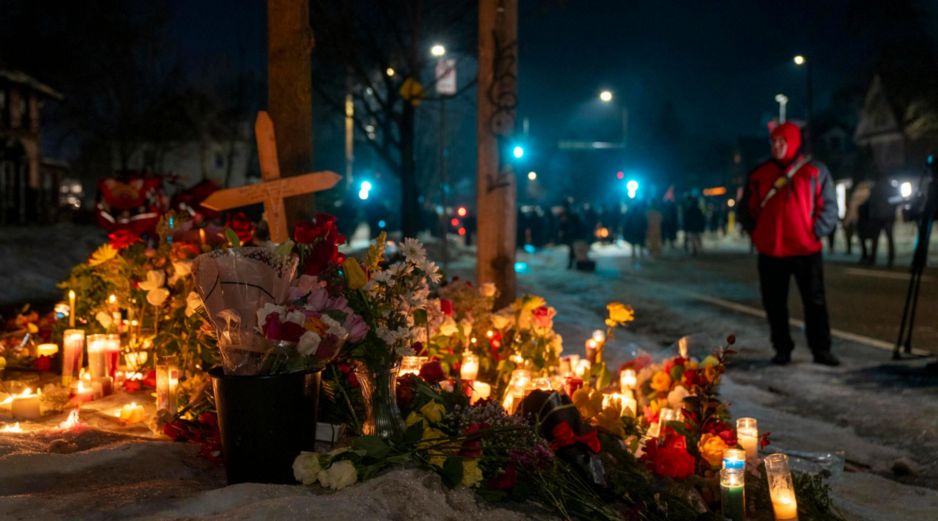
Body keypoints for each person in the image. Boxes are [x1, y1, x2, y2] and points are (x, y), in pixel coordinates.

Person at [740, 122, 840, 366]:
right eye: (773, 142)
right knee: (774, 304)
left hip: (806, 250)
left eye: (781, 142)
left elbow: (829, 206)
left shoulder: (815, 171)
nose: (776, 146)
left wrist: (816, 232)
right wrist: (757, 234)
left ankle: (821, 349)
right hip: (771, 251)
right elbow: (747, 209)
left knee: (815, 302)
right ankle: (782, 348)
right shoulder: (759, 174)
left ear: (793, 142)